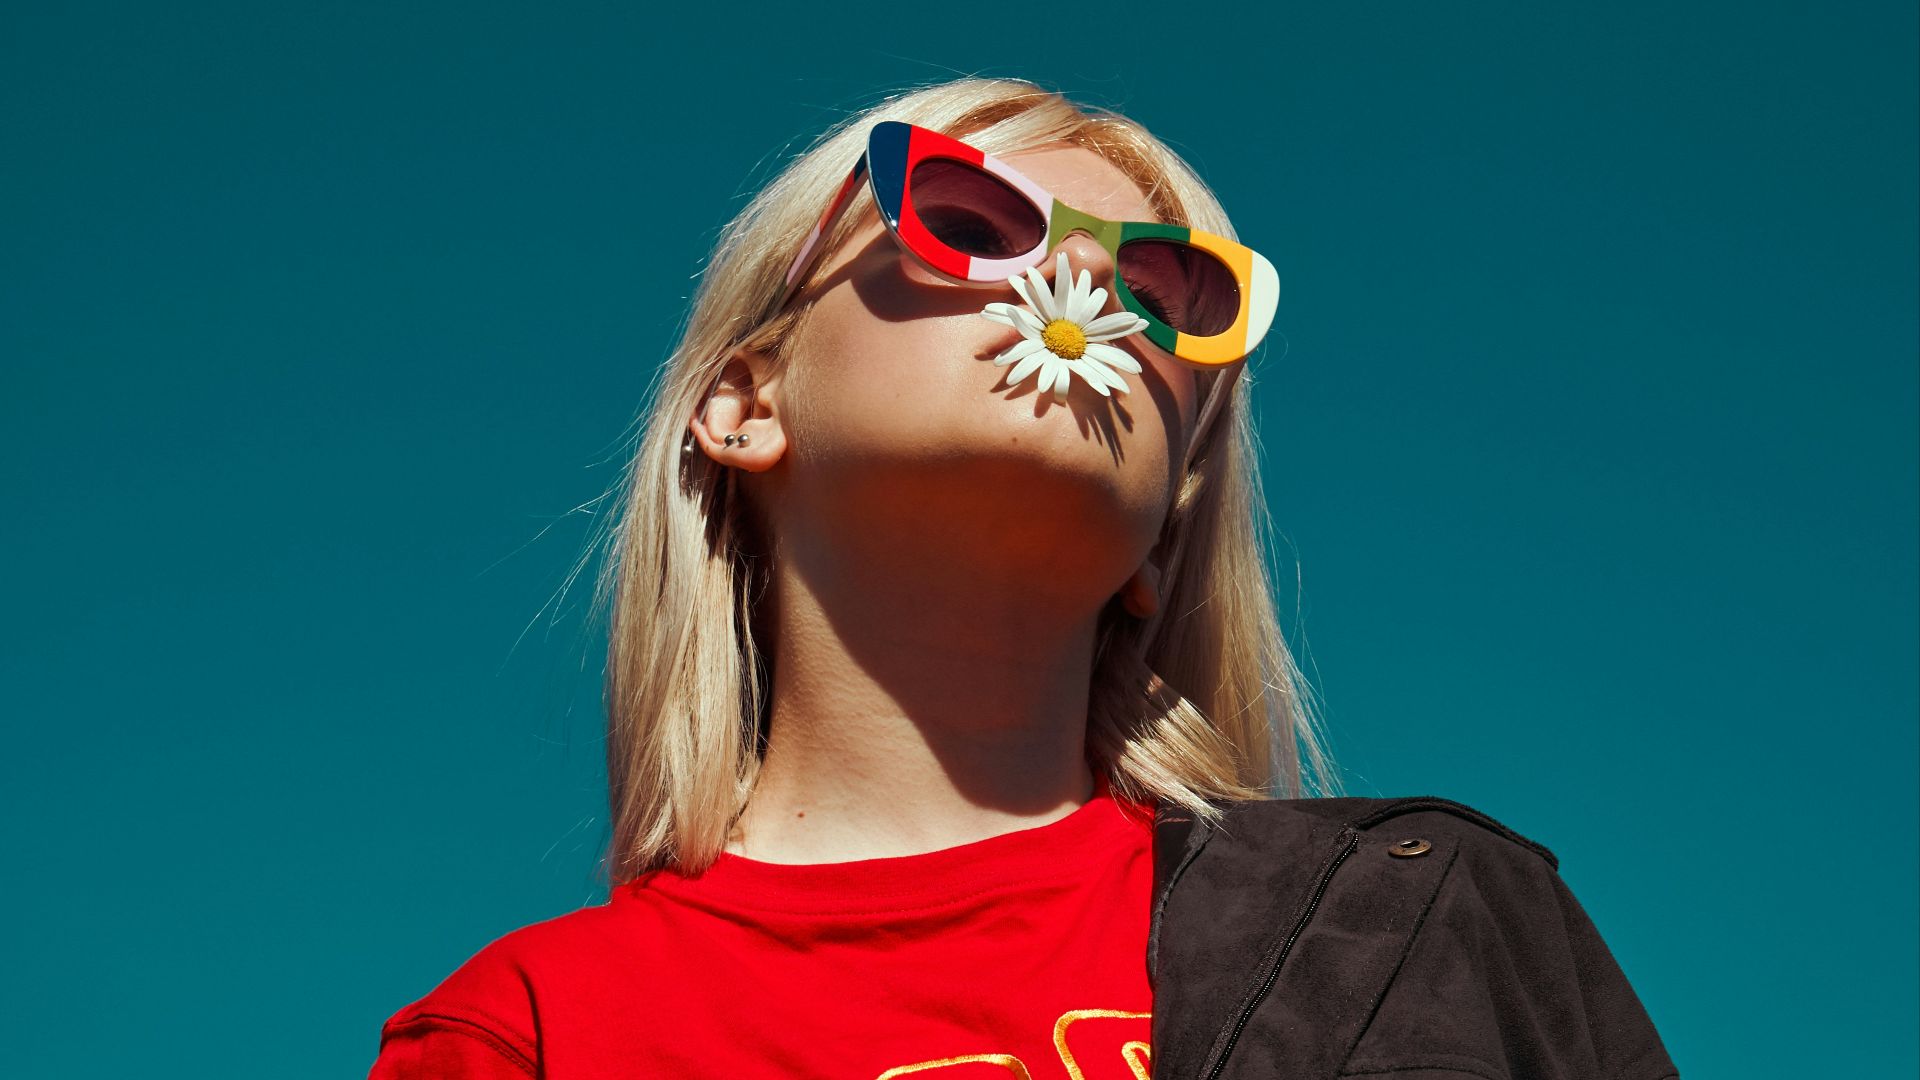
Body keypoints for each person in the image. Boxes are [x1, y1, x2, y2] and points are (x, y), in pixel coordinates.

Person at [367, 77, 1679, 1080]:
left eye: (1168, 287)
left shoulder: (1422, 924)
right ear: (743, 402)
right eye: (972, 216)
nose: (1078, 288)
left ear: (1170, 525)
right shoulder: (528, 1033)